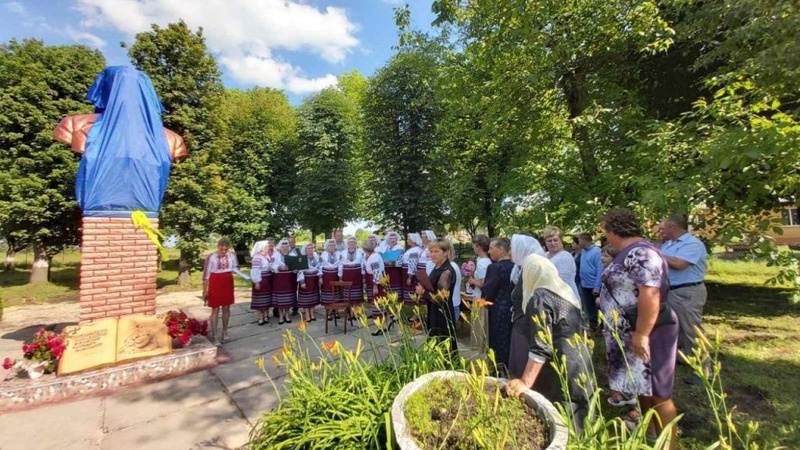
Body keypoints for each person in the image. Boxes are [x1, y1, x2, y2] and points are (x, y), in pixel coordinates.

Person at [600, 208, 679, 447]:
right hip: (632, 332)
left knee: (658, 391)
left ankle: (669, 445)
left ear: (614, 231)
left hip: (650, 331)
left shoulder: (642, 253)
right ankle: (651, 436)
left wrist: (643, 333)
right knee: (643, 388)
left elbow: (650, 291)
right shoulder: (628, 252)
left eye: (605, 231)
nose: (605, 237)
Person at [504, 254, 594, 428]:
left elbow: (541, 346)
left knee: (563, 415)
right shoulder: (563, 290)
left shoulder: (540, 298)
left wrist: (525, 382)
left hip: (559, 365)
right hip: (578, 360)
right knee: (579, 411)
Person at [660, 214, 709, 384]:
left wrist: (655, 254)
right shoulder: (668, 244)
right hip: (671, 291)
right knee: (676, 328)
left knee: (691, 330)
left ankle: (704, 369)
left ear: (672, 227)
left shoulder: (692, 244)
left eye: (662, 228)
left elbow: (680, 264)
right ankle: (686, 356)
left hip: (687, 291)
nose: (660, 231)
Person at [416, 238, 458, 351]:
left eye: (436, 251)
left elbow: (440, 299)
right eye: (431, 251)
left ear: (446, 252)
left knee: (443, 345)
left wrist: (423, 292)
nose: (432, 254)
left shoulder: (447, 271)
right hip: (434, 311)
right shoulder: (437, 266)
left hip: (442, 314)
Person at [481, 237, 515, 372]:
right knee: (509, 339)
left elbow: (488, 290)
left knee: (496, 339)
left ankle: (497, 368)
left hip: (497, 309)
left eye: (491, 248)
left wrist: (483, 300)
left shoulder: (494, 267)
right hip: (512, 308)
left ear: (501, 249)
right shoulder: (516, 266)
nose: (489, 252)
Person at [202, 238, 237, 345]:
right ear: (218, 246)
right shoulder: (211, 256)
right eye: (222, 248)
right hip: (215, 281)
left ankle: (225, 331)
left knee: (226, 307)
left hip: (227, 281)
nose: (224, 250)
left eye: (226, 249)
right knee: (215, 308)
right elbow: (206, 274)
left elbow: (235, 268)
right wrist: (204, 290)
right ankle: (215, 335)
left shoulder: (232, 255)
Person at [543, 226, 581, 300]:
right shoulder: (544, 255)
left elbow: (562, 283)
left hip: (565, 299)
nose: (553, 243)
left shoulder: (565, 257)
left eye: (555, 240)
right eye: (549, 241)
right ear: (545, 242)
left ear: (561, 240)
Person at [577, 232, 604, 329]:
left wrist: (597, 286)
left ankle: (603, 326)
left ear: (584, 240)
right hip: (584, 284)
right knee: (589, 307)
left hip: (594, 285)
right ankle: (593, 326)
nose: (578, 243)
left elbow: (600, 269)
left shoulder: (597, 252)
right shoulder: (583, 251)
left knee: (599, 307)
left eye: (579, 240)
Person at [271, 240, 297, 325]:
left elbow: (297, 266)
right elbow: (271, 266)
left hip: (289, 279)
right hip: (279, 279)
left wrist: (295, 269)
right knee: (280, 298)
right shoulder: (275, 255)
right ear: (279, 248)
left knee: (288, 298)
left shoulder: (292, 255)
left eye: (286, 247)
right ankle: (281, 316)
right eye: (283, 247)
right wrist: (279, 267)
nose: (285, 248)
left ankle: (287, 314)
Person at [249, 240, 272, 326]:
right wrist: (257, 282)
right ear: (262, 248)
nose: (268, 248)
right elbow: (255, 270)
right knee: (259, 299)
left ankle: (266, 316)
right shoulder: (257, 257)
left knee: (266, 298)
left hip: (267, 279)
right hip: (261, 280)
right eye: (267, 247)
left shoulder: (266, 257)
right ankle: (260, 317)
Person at [297, 243, 320, 322]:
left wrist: (320, 277)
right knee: (306, 298)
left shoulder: (316, 256)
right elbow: (300, 271)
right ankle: (307, 315)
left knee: (313, 297)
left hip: (314, 279)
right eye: (308, 249)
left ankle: (312, 313)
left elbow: (320, 266)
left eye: (311, 248)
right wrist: (302, 282)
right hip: (306, 279)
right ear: (305, 250)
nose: (310, 250)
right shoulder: (302, 258)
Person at [339, 236, 365, 305]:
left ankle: (357, 313)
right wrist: (340, 277)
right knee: (348, 296)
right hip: (346, 276)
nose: (351, 243)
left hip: (357, 276)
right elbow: (340, 265)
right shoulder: (343, 253)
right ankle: (349, 313)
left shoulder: (360, 252)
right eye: (350, 242)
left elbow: (362, 264)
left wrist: (363, 276)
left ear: (356, 243)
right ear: (347, 243)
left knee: (357, 296)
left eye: (353, 242)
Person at [319, 239, 341, 313]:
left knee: (336, 293)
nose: (332, 247)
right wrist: (320, 277)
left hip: (336, 275)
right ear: (327, 246)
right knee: (327, 293)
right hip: (326, 276)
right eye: (330, 245)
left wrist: (340, 276)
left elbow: (341, 265)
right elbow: (319, 266)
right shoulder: (323, 254)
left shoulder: (339, 253)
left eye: (333, 245)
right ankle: (328, 312)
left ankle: (336, 311)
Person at [467, 235, 492, 300]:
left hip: (480, 297)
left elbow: (483, 284)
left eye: (474, 245)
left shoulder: (482, 263)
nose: (473, 247)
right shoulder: (488, 260)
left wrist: (472, 281)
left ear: (479, 247)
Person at [402, 233, 423, 306]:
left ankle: (413, 308)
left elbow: (413, 264)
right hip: (406, 271)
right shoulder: (413, 249)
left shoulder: (415, 251)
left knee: (412, 291)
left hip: (410, 273)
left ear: (413, 240)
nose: (407, 240)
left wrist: (410, 277)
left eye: (408, 239)